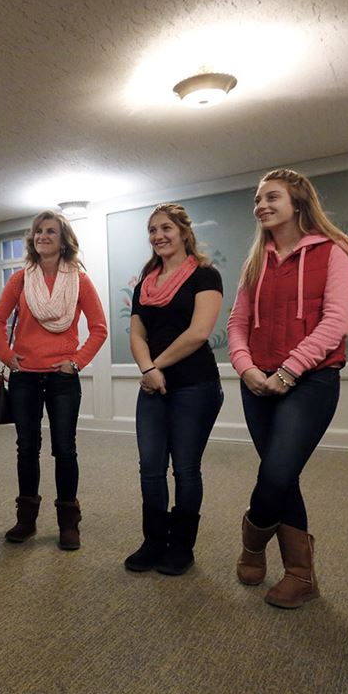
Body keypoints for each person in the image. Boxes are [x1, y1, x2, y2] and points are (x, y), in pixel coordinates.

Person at [227, 168, 348, 609]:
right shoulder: (256, 262)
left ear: (298, 203)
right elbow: (237, 324)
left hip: (312, 380)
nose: (261, 205)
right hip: (257, 381)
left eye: (272, 197)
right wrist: (246, 369)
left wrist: (289, 370)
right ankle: (301, 574)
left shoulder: (334, 252)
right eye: (258, 200)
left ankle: (252, 536)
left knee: (278, 473)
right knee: (283, 474)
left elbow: (337, 321)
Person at [0, 210, 107, 550]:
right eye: (38, 231)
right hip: (25, 376)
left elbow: (99, 329)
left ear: (63, 239)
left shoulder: (80, 281)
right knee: (26, 449)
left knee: (65, 449)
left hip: (62, 379)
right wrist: (6, 356)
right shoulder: (20, 279)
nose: (43, 236)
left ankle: (68, 523)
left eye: (50, 231)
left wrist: (78, 362)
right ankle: (26, 520)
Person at [124, 204, 224, 576]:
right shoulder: (144, 283)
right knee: (150, 468)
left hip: (195, 385)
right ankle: (153, 541)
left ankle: (181, 546)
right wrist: (147, 369)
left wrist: (155, 366)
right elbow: (135, 334)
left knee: (185, 468)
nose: (158, 235)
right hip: (153, 386)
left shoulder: (205, 275)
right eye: (152, 230)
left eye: (166, 228)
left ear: (183, 232)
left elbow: (198, 333)